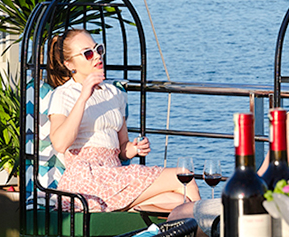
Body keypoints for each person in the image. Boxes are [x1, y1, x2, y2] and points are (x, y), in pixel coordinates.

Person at [43, 28, 197, 220]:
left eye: (98, 49)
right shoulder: (65, 94)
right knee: (184, 177)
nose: (97, 57)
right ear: (69, 64)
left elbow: (121, 149)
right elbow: (60, 143)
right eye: (88, 53)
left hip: (115, 174)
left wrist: (133, 149)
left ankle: (134, 212)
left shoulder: (113, 94)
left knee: (179, 202)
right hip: (88, 177)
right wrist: (83, 97)